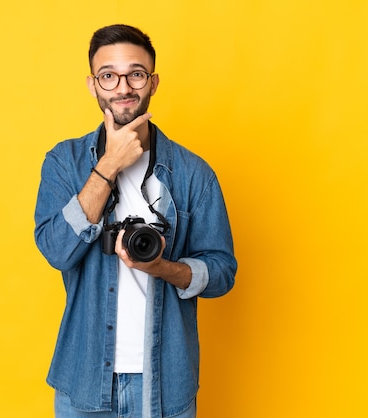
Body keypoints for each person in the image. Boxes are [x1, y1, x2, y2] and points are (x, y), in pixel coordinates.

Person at [34, 24, 237, 418]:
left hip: (164, 381)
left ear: (153, 82)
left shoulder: (194, 173)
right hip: (83, 380)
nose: (123, 87)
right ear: (93, 85)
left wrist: (163, 268)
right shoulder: (64, 162)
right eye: (109, 75)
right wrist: (109, 164)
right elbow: (57, 250)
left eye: (136, 74)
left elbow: (223, 272)